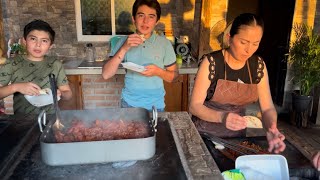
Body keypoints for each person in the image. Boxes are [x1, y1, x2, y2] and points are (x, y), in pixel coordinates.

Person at [189, 13, 286, 153]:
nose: (249, 50)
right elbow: (194, 106)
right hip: (204, 136)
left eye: (255, 44)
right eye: (243, 42)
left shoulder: (258, 66)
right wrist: (222, 117)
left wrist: (271, 128)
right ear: (229, 39)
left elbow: (267, 109)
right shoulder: (211, 63)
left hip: (236, 139)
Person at [102, 0, 178, 112]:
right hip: (129, 104)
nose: (145, 21)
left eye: (151, 17)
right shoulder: (123, 41)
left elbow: (175, 76)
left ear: (156, 21)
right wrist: (124, 48)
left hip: (156, 106)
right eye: (141, 15)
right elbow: (106, 74)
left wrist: (158, 72)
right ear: (134, 19)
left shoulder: (164, 44)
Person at [0, 19, 72, 115]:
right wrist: (16, 87)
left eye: (44, 41)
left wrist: (60, 93)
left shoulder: (55, 64)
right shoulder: (12, 63)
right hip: (22, 122)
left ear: (50, 46)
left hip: (52, 120)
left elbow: (68, 94)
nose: (38, 45)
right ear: (24, 41)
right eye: (33, 39)